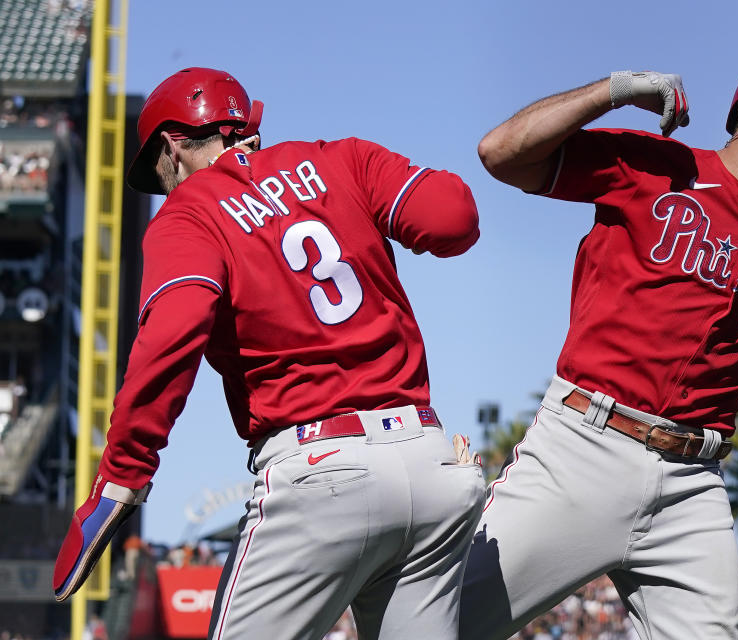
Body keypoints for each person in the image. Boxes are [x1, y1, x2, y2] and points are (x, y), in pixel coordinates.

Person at [53, 67, 486, 640]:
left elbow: (170, 341)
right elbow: (453, 220)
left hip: (319, 470)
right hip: (431, 464)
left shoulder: (189, 213)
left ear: (173, 146)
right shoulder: (341, 158)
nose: (165, 190)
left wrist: (122, 475)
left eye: (160, 175)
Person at [459, 50, 738, 640]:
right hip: (586, 447)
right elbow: (500, 153)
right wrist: (614, 90)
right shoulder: (657, 166)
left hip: (693, 483)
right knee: (442, 624)